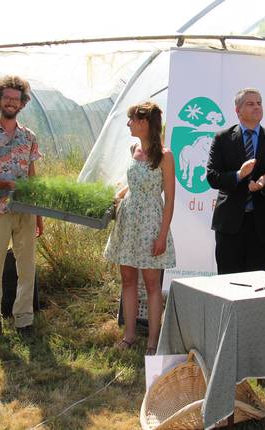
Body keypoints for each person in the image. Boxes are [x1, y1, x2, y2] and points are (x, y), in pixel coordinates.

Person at [0, 75, 43, 342]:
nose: (11, 102)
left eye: (16, 99)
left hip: (25, 211)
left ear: (22, 103)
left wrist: (38, 214)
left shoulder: (29, 137)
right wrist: (6, 182)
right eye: (7, 98)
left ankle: (24, 321)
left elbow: (33, 176)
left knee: (27, 268)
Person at [104, 101, 175, 355]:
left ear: (144, 123)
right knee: (127, 278)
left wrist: (162, 235)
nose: (128, 124)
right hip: (128, 221)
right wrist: (118, 195)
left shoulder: (165, 156)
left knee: (152, 283)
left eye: (132, 119)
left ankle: (153, 340)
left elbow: (169, 199)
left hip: (150, 224)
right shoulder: (133, 148)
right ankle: (129, 335)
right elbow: (132, 183)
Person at [207, 88, 265, 274]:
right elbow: (212, 176)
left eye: (259, 103)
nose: (257, 107)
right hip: (229, 224)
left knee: (257, 286)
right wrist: (239, 175)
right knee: (228, 281)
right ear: (238, 111)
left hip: (262, 225)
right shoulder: (222, 138)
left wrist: (262, 185)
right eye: (250, 104)